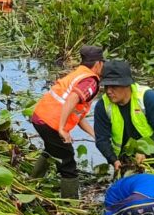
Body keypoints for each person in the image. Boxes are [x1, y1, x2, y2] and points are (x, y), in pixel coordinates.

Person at [30, 45, 104, 198]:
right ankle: (70, 203)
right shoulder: (91, 81)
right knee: (68, 163)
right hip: (52, 123)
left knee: (52, 150)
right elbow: (72, 98)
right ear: (98, 64)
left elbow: (77, 115)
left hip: (40, 117)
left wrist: (95, 135)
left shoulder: (79, 74)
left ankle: (31, 182)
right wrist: (62, 128)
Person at [93, 60, 154, 176]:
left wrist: (143, 150)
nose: (108, 91)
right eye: (106, 86)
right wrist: (113, 160)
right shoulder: (103, 106)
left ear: (126, 84)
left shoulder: (147, 97)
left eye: (113, 86)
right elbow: (102, 139)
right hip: (126, 161)